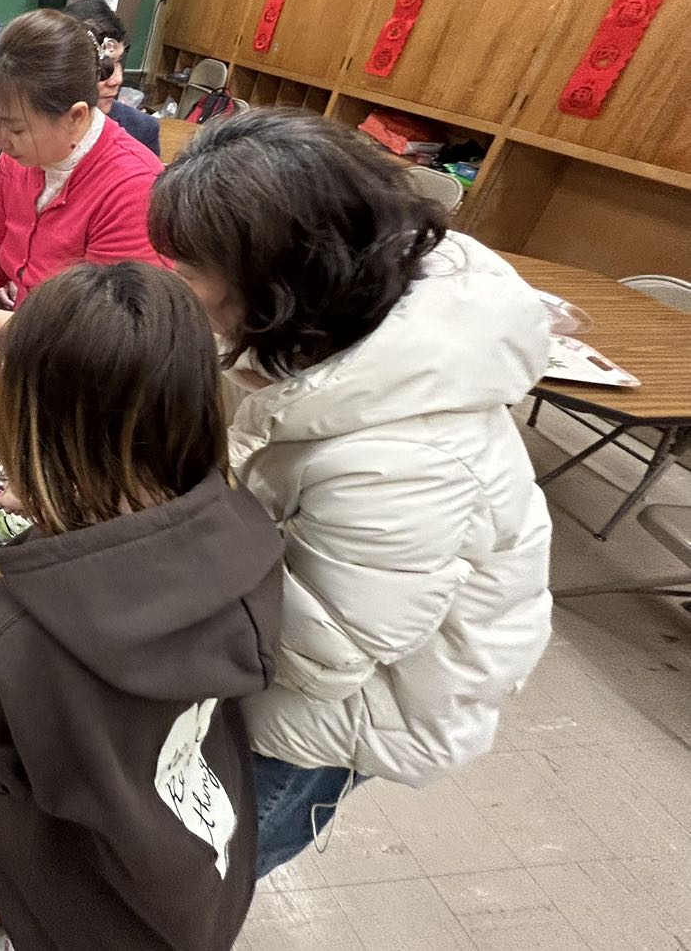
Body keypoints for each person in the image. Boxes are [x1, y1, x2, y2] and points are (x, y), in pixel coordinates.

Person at [146, 110, 553, 878]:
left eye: (187, 267)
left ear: (275, 287)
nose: (173, 282)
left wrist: (163, 539)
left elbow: (314, 653)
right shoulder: (318, 331)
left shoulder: (407, 460)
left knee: (204, 870)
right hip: (313, 634)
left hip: (340, 711)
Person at [0, 262, 283, 950]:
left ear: (29, 444)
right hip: (202, 879)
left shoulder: (19, 635)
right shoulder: (247, 528)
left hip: (80, 914)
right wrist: (56, 493)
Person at [0, 8, 168, 383]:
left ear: (75, 116)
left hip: (90, 381)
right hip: (32, 350)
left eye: (18, 129)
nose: (2, 143)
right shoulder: (17, 162)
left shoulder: (130, 186)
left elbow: (108, 334)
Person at [65, 0, 159, 156]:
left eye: (119, 62)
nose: (117, 80)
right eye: (103, 66)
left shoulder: (141, 130)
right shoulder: (31, 124)